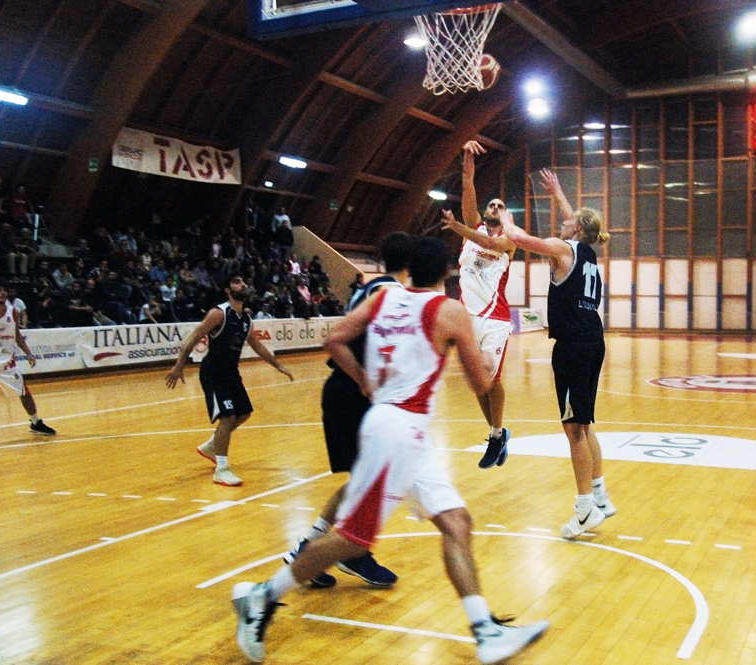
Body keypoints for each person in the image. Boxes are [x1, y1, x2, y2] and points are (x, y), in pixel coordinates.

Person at [231, 237, 549, 665]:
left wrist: (364, 378)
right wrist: (487, 363)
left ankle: (485, 631)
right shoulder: (448, 310)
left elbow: (335, 338)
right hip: (397, 433)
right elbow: (481, 385)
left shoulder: (384, 298)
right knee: (350, 540)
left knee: (457, 522)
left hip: (403, 431)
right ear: (446, 274)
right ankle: (261, 598)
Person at [283, 232, 414, 590]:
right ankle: (349, 552)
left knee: (362, 480)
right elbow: (346, 342)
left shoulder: (373, 287)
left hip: (346, 392)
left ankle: (310, 548)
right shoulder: (387, 294)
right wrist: (364, 380)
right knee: (370, 480)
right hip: (350, 392)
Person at [499, 168, 615, 539]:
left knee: (573, 429)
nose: (563, 222)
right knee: (583, 423)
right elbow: (580, 224)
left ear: (576, 228)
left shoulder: (564, 248)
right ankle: (599, 496)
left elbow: (519, 239)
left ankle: (584, 510)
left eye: (568, 220)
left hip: (573, 346)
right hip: (592, 339)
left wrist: (503, 216)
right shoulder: (589, 254)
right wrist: (559, 193)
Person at [165, 274, 294, 486]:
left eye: (243, 281)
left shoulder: (245, 320)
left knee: (243, 413)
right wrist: (179, 364)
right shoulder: (219, 313)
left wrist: (278, 365)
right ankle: (221, 469)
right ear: (227, 289)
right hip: (214, 371)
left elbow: (257, 345)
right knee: (227, 417)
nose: (243, 284)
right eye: (237, 281)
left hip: (231, 372)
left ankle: (212, 446)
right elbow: (195, 335)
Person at [441, 139, 517, 469]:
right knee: (477, 381)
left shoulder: (508, 241)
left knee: (490, 377)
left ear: (507, 216)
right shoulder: (473, 227)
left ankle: (498, 433)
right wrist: (466, 162)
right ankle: (496, 432)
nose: (495, 208)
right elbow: (468, 187)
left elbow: (487, 243)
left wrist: (457, 227)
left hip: (495, 319)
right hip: (467, 318)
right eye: (492, 205)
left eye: (501, 206)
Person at [0, 281, 56, 435]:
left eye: (4, 290)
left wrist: (28, 353)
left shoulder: (13, 312)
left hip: (7, 363)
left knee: (24, 392)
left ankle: (35, 422)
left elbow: (17, 335)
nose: (3, 293)